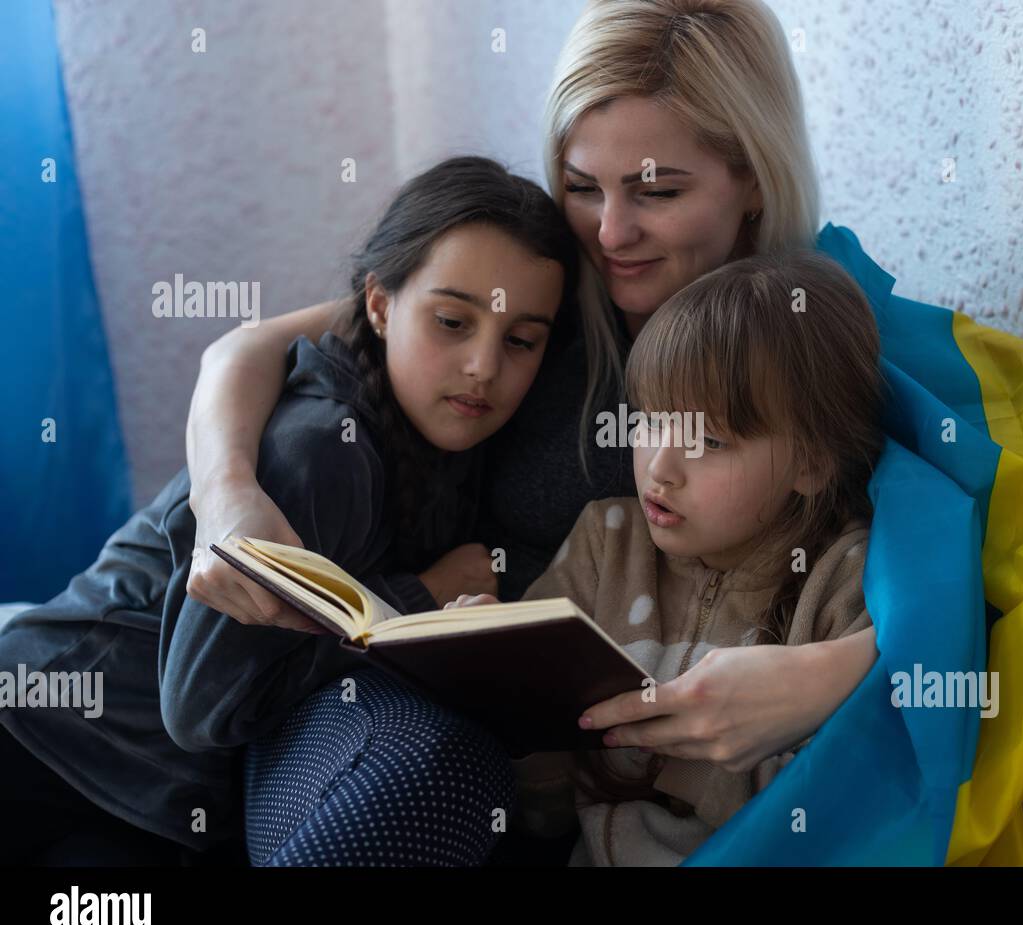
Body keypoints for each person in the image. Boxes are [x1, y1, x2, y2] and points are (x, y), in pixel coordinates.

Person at [184, 0, 882, 864]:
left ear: (754, 181)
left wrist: (826, 679)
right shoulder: (535, 294)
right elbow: (248, 346)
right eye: (584, 186)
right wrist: (225, 502)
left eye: (657, 191)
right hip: (404, 686)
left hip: (599, 764)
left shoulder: (805, 324)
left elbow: (938, 561)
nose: (611, 232)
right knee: (432, 775)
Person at [0, 156, 578, 865]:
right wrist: (416, 599)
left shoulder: (449, 429)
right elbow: (200, 708)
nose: (485, 366)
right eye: (452, 321)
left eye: (521, 340)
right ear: (378, 305)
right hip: (53, 745)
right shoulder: (325, 454)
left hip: (159, 797)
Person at [449, 250, 887, 865]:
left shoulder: (846, 580)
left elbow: (849, 816)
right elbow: (541, 812)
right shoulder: (607, 539)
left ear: (811, 463)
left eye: (709, 441)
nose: (660, 468)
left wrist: (665, 760)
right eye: (652, 421)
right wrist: (502, 704)